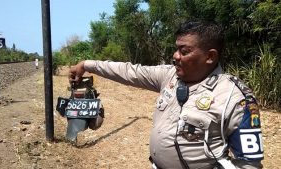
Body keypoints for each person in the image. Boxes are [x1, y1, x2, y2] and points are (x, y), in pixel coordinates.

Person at [69, 21, 264, 169]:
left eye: (184, 51)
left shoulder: (235, 97)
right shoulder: (169, 75)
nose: (175, 56)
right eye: (176, 48)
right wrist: (87, 65)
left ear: (210, 56)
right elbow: (128, 71)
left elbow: (249, 163)